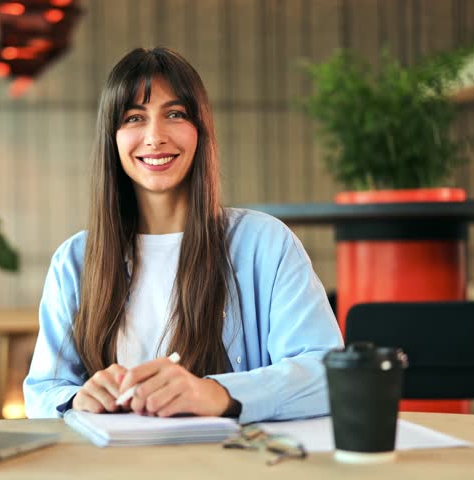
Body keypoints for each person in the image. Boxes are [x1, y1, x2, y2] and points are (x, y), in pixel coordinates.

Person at [23, 47, 343, 423]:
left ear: (200, 130)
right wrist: (77, 399)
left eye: (174, 114)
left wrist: (218, 393)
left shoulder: (266, 244)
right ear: (112, 138)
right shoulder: (75, 260)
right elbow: (42, 392)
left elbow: (328, 373)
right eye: (134, 118)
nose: (155, 137)